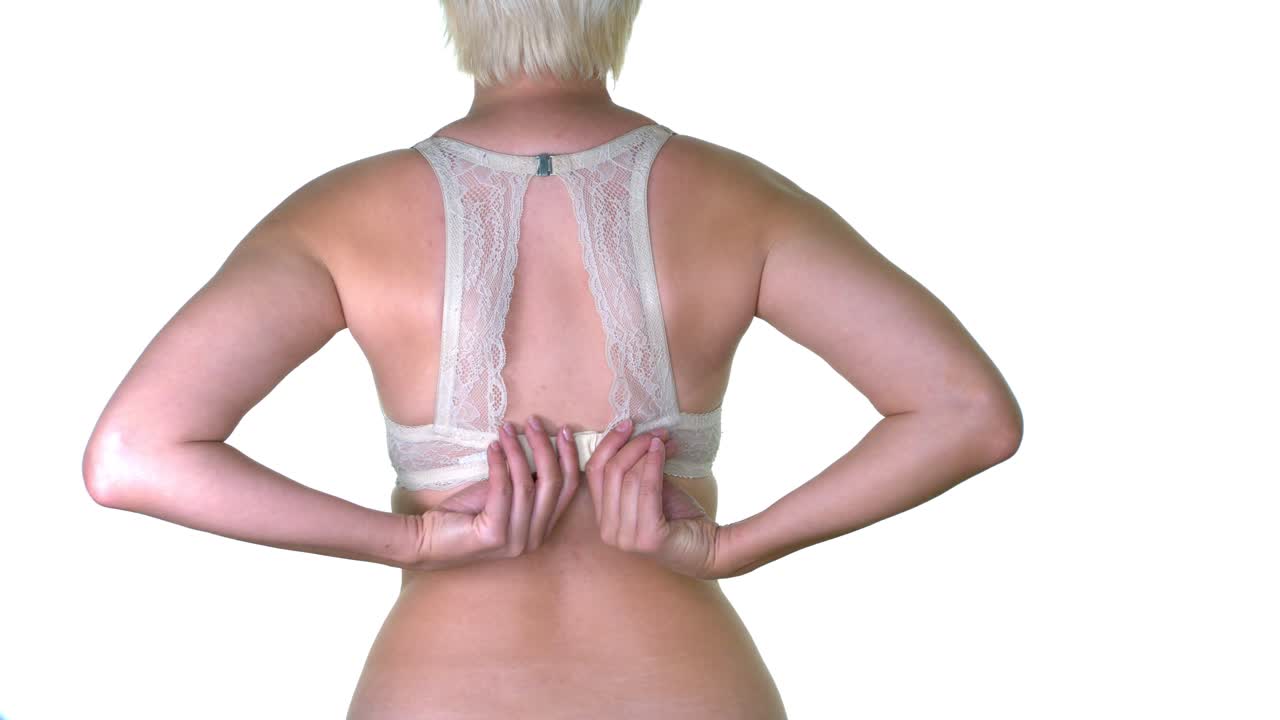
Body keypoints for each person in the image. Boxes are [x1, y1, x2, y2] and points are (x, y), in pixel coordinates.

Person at [82, 1, 1023, 717]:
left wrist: (409, 541)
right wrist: (729, 548)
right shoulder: (739, 199)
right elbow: (965, 412)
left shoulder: (341, 215)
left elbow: (134, 455)